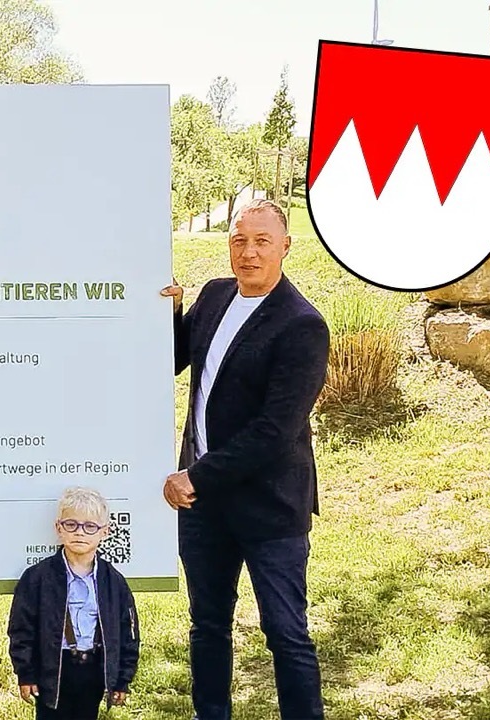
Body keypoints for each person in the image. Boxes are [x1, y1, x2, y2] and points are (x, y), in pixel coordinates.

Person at [160, 199, 330, 720]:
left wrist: (197, 476)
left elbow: (274, 433)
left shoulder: (302, 326)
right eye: (239, 240)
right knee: (207, 624)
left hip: (268, 506)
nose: (249, 252)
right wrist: (169, 316)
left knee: (284, 632)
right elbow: (172, 361)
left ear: (285, 246)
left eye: (261, 241)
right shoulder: (215, 296)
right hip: (205, 510)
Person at [7, 486, 141, 719]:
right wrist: (25, 673)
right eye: (71, 525)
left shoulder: (113, 582)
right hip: (53, 671)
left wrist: (122, 679)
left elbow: (127, 632)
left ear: (105, 532)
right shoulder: (37, 577)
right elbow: (21, 629)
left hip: (93, 670)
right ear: (58, 528)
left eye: (90, 526)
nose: (80, 532)